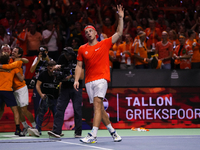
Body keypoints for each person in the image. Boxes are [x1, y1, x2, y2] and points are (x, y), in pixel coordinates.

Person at [73, 5, 124, 144]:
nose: (88, 33)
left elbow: (119, 33)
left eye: (90, 31)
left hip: (101, 79)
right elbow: (79, 65)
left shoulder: (104, 44)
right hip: (89, 81)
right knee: (100, 109)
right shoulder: (82, 49)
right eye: (86, 32)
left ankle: (93, 134)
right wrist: (76, 80)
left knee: (97, 105)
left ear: (96, 33)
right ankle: (113, 132)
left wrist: (120, 18)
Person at [48, 47, 84, 138]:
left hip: (76, 87)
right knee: (60, 108)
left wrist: (71, 76)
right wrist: (60, 74)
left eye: (68, 55)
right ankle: (56, 131)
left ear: (71, 54)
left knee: (77, 109)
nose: (66, 56)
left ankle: (78, 132)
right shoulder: (62, 58)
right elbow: (58, 73)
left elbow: (81, 77)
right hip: (65, 87)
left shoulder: (78, 59)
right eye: (65, 55)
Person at [1, 47, 36, 135]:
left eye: (15, 52)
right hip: (13, 89)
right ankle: (25, 127)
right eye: (12, 51)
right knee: (19, 110)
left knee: (23, 110)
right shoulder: (11, 60)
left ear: (19, 54)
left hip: (21, 88)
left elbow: (20, 76)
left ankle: (35, 126)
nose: (13, 52)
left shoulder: (17, 63)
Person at [28, 60, 59, 137]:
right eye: (51, 68)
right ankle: (37, 130)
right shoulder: (43, 74)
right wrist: (41, 95)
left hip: (55, 97)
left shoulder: (58, 74)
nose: (53, 71)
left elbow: (61, 84)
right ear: (48, 67)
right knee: (41, 113)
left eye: (54, 69)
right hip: (45, 97)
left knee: (57, 114)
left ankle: (57, 130)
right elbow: (37, 85)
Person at [0, 52, 24, 136]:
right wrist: (22, 72)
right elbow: (21, 79)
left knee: (1, 110)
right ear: (8, 60)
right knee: (15, 110)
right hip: (8, 91)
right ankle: (18, 129)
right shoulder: (13, 67)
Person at [30, 46, 51, 119]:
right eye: (40, 51)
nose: (41, 53)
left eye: (43, 51)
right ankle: (37, 125)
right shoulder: (36, 59)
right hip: (37, 85)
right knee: (36, 105)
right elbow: (31, 70)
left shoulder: (50, 60)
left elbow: (53, 70)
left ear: (47, 52)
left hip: (47, 85)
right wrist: (38, 60)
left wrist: (47, 59)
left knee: (46, 106)